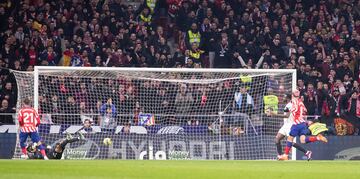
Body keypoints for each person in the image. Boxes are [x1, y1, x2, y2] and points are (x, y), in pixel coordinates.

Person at [278, 89, 328, 161]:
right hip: (303, 123)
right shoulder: (301, 103)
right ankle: (317, 138)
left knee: (290, 139)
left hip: (296, 123)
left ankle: (285, 155)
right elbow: (305, 110)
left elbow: (292, 111)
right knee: (303, 140)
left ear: (292, 96)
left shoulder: (292, 103)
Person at [268, 94, 312, 160]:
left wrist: (274, 114)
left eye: (284, 97)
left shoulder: (289, 105)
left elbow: (287, 116)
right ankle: (280, 156)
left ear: (288, 98)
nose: (283, 98)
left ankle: (307, 152)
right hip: (285, 125)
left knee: (290, 142)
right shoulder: (288, 105)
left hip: (290, 125)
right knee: (277, 139)